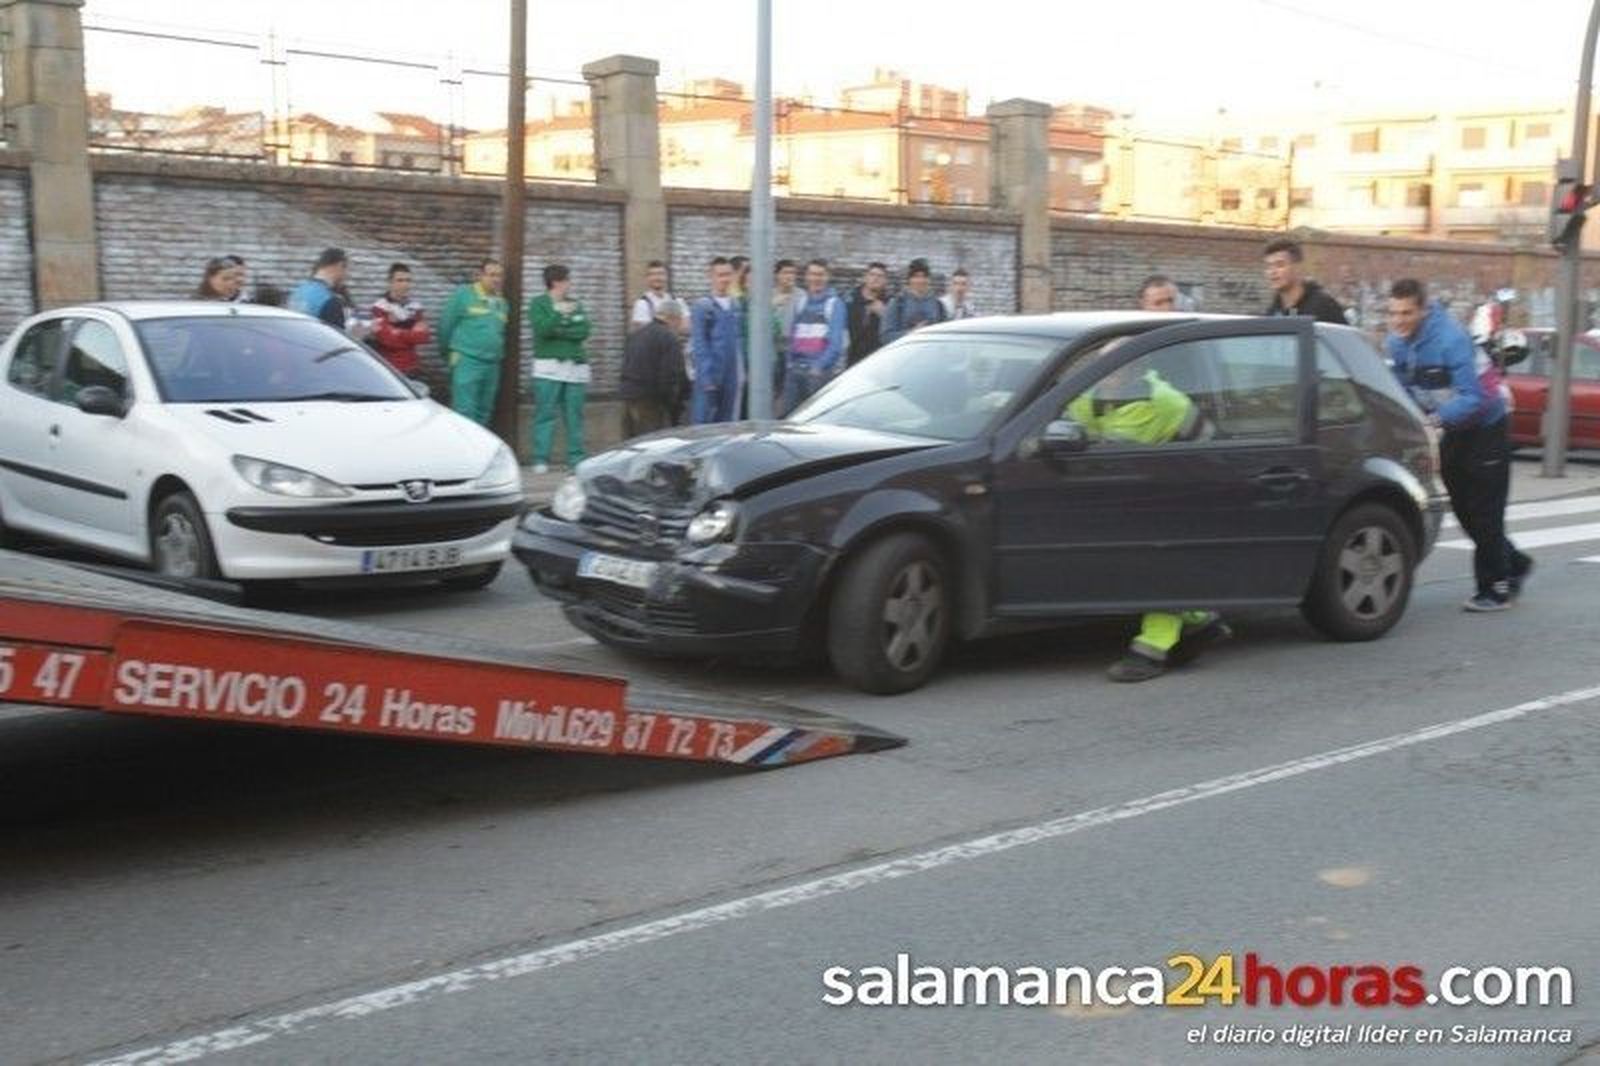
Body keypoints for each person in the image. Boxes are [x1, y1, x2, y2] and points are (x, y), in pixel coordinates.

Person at [1066, 357, 1231, 681]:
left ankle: (1151, 650)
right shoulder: (1091, 397)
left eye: (1115, 370)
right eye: (1104, 368)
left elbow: (1211, 445)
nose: (1108, 375)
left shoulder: (1162, 401)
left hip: (1173, 491)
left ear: (1135, 372)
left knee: (1157, 554)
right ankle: (1199, 619)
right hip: (1120, 492)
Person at [1385, 278, 1531, 611]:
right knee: (1464, 511)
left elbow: (1475, 396)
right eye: (1393, 313)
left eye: (1406, 313)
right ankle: (1516, 564)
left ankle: (1495, 589)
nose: (1398, 321)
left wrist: (1433, 420)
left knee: (1485, 512)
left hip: (1487, 425)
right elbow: (1402, 387)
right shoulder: (1397, 343)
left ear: (1422, 310)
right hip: (1455, 429)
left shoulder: (1450, 338)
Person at [527, 264, 593, 474]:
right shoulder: (538, 303)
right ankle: (540, 458)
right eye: (567, 280)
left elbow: (583, 330)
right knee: (545, 413)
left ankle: (576, 458)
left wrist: (562, 327)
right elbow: (543, 329)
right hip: (548, 368)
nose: (570, 284)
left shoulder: (575, 303)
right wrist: (560, 316)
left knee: (574, 414)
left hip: (575, 368)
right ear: (556, 282)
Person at [437, 258, 508, 426]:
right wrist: (449, 355)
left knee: (485, 411)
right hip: (467, 361)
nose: (496, 279)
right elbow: (445, 326)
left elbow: (500, 333)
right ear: (480, 276)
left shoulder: (502, 303)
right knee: (464, 412)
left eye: (499, 275)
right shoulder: (464, 294)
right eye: (491, 275)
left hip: (492, 364)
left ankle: (480, 451)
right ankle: (463, 451)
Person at [780, 259, 849, 415]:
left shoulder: (834, 304)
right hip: (795, 370)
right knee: (788, 420)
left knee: (813, 422)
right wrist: (790, 362)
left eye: (820, 275)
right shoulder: (801, 302)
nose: (816, 279)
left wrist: (819, 367)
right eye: (812, 274)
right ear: (806, 277)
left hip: (817, 374)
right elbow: (793, 335)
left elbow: (835, 343)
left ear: (827, 277)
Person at [620, 298, 689, 437]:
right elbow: (671, 375)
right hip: (651, 402)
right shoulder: (669, 338)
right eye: (680, 321)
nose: (680, 326)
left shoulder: (636, 334)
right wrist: (674, 404)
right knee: (652, 447)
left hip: (628, 397)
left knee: (631, 446)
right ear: (673, 318)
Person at [689, 256, 744, 424]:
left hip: (731, 373)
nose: (725, 279)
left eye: (728, 275)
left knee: (727, 422)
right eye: (720, 275)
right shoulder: (703, 306)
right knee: (703, 421)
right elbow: (699, 343)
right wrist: (706, 376)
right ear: (711, 277)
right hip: (711, 373)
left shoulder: (736, 305)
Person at [1262, 238, 1346, 324]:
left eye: (1280, 265)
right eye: (1269, 266)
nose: (1272, 272)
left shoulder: (1324, 306)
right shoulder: (1272, 313)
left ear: (1297, 268)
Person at [369, 262, 431, 378]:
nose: (405, 284)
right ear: (390, 283)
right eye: (400, 280)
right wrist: (411, 332)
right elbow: (386, 339)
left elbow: (424, 336)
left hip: (412, 367)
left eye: (408, 280)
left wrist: (397, 331)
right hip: (389, 369)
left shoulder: (416, 306)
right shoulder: (380, 306)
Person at [288, 247, 353, 331]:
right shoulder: (330, 301)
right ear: (340, 265)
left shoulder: (297, 293)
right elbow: (337, 340)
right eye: (346, 269)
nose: (347, 275)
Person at [883, 258, 946, 344]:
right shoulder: (897, 304)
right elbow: (885, 337)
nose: (921, 280)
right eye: (916, 276)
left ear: (929, 279)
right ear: (909, 279)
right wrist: (912, 333)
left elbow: (945, 336)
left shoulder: (938, 306)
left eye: (924, 276)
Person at [846, 261, 890, 365]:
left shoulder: (890, 304)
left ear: (885, 281)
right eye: (872, 275)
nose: (875, 279)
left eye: (880, 276)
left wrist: (884, 315)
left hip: (878, 361)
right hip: (852, 361)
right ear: (865, 277)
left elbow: (892, 334)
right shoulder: (850, 300)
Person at [629, 260, 676, 333]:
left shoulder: (676, 301)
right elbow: (644, 333)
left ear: (667, 277)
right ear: (647, 278)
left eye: (661, 274)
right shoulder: (642, 304)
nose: (657, 277)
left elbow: (685, 329)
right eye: (653, 274)